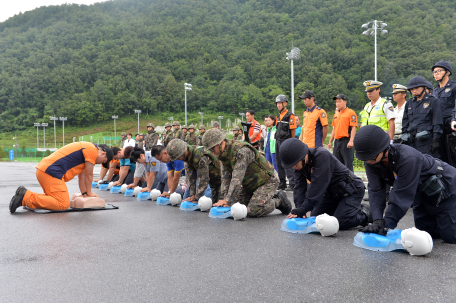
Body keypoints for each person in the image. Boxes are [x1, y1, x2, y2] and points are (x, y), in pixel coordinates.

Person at [354, 125, 456, 243]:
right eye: (365, 158)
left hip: (446, 189)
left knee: (451, 237)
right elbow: (376, 190)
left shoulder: (408, 158)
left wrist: (386, 226)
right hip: (422, 194)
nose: (368, 161)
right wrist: (377, 221)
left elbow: (401, 195)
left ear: (384, 149)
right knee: (427, 234)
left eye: (371, 157)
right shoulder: (372, 160)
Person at [279, 138, 371, 229]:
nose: (294, 167)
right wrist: (300, 210)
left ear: (303, 156)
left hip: (351, 190)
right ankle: (343, 209)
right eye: (291, 165)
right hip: (331, 193)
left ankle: (365, 213)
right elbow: (299, 187)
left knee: (340, 222)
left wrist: (304, 208)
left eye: (295, 164)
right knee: (317, 219)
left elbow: (317, 186)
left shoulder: (321, 156)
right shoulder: (299, 166)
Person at [202, 128, 292, 217]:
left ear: (220, 143)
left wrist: (228, 200)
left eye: (212, 149)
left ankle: (278, 201)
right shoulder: (223, 155)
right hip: (250, 185)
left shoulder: (242, 151)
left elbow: (237, 178)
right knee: (236, 205)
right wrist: (226, 200)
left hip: (267, 181)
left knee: (252, 210)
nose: (212, 153)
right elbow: (225, 180)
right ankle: (261, 198)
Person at [9, 143, 113, 212]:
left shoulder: (87, 151)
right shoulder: (92, 150)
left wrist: (85, 194)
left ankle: (25, 196)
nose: (100, 163)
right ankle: (26, 197)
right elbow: (89, 175)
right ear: (103, 154)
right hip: (50, 172)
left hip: (45, 170)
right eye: (103, 161)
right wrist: (90, 193)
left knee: (54, 200)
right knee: (62, 204)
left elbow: (82, 177)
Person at [167, 139, 221, 203]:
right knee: (186, 200)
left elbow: (203, 180)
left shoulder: (200, 156)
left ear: (183, 152)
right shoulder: (187, 156)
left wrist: (196, 198)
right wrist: (192, 195)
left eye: (178, 157)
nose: (178, 160)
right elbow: (190, 178)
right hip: (209, 180)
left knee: (205, 203)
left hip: (219, 181)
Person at [401, 76, 443, 158]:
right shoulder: (409, 103)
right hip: (412, 143)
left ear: (424, 87)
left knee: (429, 166)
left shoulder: (433, 101)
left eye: (416, 88)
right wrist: (405, 137)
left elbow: (437, 123)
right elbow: (405, 123)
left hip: (427, 143)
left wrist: (435, 140)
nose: (414, 91)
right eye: (412, 89)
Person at [433, 61, 456, 167]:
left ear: (447, 72)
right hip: (438, 129)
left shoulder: (454, 86)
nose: (435, 74)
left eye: (438, 71)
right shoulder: (434, 91)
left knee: (453, 157)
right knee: (441, 159)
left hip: (451, 126)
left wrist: (454, 118)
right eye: (434, 72)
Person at [327, 94, 358, 172]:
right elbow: (334, 129)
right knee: (337, 165)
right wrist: (330, 141)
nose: (338, 103)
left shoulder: (351, 112)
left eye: (340, 101)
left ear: (345, 102)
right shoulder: (336, 114)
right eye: (336, 102)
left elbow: (353, 127)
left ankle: (350, 184)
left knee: (348, 165)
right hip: (337, 142)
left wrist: (351, 141)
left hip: (346, 141)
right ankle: (340, 183)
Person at [274, 95, 297, 190]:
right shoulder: (278, 116)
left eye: (280, 103)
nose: (278, 105)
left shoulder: (290, 115)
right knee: (279, 162)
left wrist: (291, 142)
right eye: (277, 103)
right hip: (278, 141)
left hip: (285, 141)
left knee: (286, 162)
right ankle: (282, 182)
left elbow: (293, 130)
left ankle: (292, 183)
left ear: (285, 103)